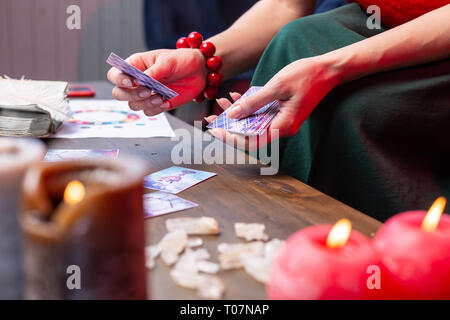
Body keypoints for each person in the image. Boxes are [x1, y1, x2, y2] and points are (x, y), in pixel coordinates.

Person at [108, 0, 450, 221]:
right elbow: (286, 6)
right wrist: (204, 61)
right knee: (295, 39)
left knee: (358, 106)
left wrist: (331, 68)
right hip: (367, 23)